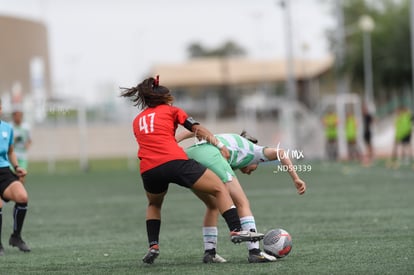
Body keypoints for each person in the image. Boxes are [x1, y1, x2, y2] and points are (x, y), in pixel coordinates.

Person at [120, 76, 264, 264]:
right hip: (175, 162)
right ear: (165, 98)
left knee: (154, 204)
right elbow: (197, 129)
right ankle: (236, 229)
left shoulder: (137, 120)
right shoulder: (172, 111)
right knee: (219, 188)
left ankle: (153, 245)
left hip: (149, 169)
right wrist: (219, 145)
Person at [176, 130, 306, 263]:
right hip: (209, 156)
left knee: (212, 205)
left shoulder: (232, 147)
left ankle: (210, 253)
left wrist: (175, 141)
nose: (250, 173)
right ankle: (255, 252)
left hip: (187, 157)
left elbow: (195, 131)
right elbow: (281, 153)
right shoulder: (254, 151)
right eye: (256, 167)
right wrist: (296, 178)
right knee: (242, 203)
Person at [0, 100, 31, 256]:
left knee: (22, 196)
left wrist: (17, 167)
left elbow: (11, 151)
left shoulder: (7, 128)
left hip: (5, 170)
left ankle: (16, 237)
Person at [11, 109, 32, 182]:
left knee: (22, 176)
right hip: (12, 155)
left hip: (23, 155)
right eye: (16, 115)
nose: (18, 117)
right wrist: (15, 139)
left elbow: (29, 140)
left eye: (20, 116)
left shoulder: (26, 127)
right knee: (11, 176)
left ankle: (20, 191)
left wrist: (27, 145)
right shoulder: (10, 126)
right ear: (13, 116)